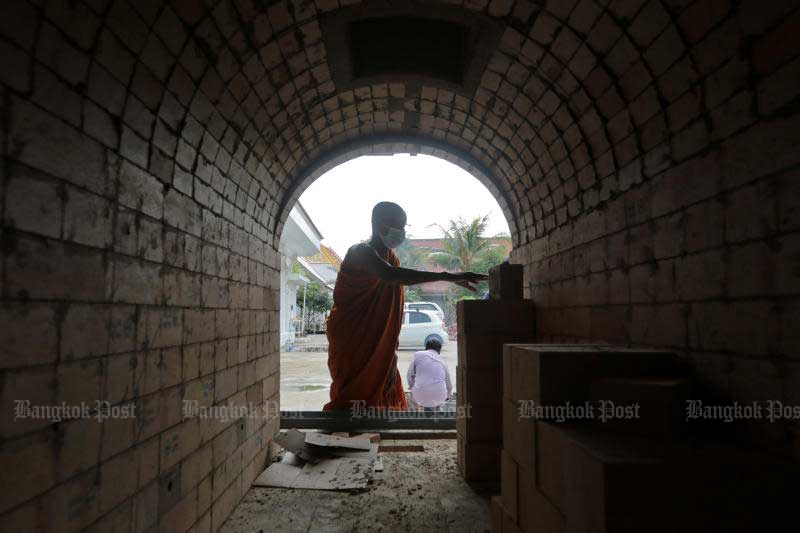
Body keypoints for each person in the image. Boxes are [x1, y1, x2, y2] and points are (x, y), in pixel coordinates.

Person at [322, 201, 487, 411]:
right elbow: (389, 275)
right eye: (396, 226)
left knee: (383, 393)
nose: (400, 233)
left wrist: (391, 353)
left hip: (380, 344)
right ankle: (345, 439)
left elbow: (389, 315)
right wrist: (448, 276)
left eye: (403, 227)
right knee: (351, 396)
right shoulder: (360, 251)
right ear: (379, 224)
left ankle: (372, 439)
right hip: (352, 339)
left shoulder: (393, 259)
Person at [406, 338, 452, 410]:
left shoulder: (418, 355)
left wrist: (412, 387)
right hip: (440, 397)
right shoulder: (442, 360)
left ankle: (417, 414)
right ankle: (438, 411)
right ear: (439, 350)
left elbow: (409, 376)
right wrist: (448, 396)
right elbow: (449, 385)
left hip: (419, 396)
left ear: (426, 347)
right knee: (439, 398)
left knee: (412, 396)